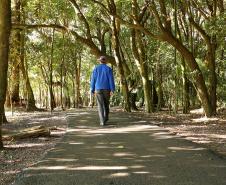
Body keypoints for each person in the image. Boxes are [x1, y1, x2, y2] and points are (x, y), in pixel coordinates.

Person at [90, 56, 115, 126]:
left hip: (98, 89)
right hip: (107, 89)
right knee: (106, 104)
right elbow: (111, 80)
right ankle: (106, 118)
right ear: (106, 61)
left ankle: (102, 121)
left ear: (100, 61)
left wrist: (92, 89)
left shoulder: (96, 69)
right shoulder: (109, 69)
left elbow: (93, 79)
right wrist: (112, 89)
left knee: (100, 105)